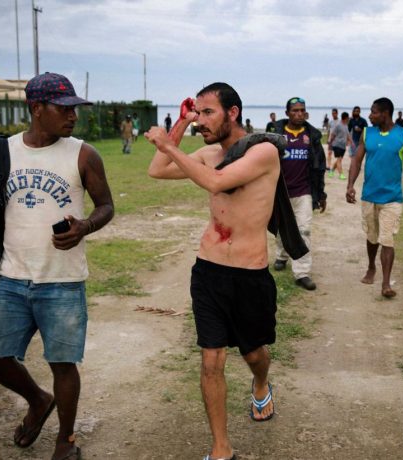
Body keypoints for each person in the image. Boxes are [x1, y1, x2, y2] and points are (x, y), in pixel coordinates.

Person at [0, 72, 114, 460]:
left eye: (74, 109)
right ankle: (38, 400)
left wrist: (85, 226)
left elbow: (106, 205)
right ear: (36, 108)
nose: (72, 116)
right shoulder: (3, 153)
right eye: (64, 108)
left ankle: (65, 441)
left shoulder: (83, 154)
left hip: (62, 281)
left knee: (63, 363)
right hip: (12, 277)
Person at [147, 82, 281, 460]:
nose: (200, 121)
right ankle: (221, 449)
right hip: (208, 271)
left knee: (254, 354)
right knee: (211, 359)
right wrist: (178, 126)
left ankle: (260, 382)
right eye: (197, 113)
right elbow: (157, 170)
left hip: (249, 276)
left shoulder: (265, 152)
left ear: (233, 112)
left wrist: (169, 144)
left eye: (208, 113)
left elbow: (217, 181)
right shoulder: (206, 153)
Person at [346, 97, 403, 298]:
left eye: (373, 112)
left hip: (392, 198)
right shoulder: (367, 133)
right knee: (372, 237)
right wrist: (350, 185)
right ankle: (371, 267)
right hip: (369, 196)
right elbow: (356, 161)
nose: (369, 116)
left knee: (387, 239)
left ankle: (386, 283)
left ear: (384, 113)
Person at [272, 97, 326, 290]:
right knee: (281, 228)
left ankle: (302, 272)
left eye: (302, 110)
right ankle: (281, 255)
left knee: (304, 230)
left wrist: (320, 193)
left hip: (304, 192)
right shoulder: (276, 133)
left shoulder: (311, 136)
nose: (299, 114)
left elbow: (319, 166)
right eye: (294, 110)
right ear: (287, 113)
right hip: (280, 192)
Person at [328, 111, 351, 180]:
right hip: (337, 144)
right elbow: (333, 134)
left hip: (343, 145)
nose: (349, 119)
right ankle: (341, 174)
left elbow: (347, 135)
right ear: (345, 118)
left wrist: (350, 142)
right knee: (339, 159)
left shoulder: (346, 125)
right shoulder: (338, 125)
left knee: (339, 159)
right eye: (348, 118)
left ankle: (331, 171)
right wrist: (330, 143)